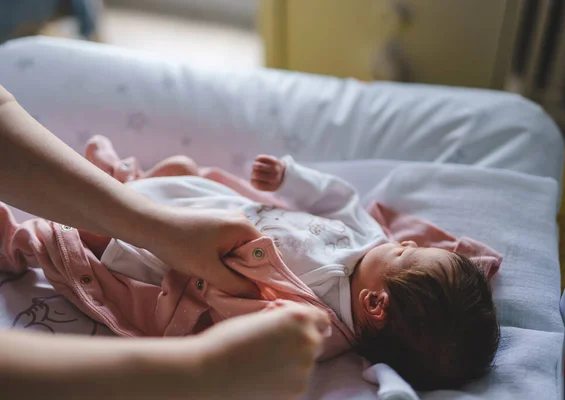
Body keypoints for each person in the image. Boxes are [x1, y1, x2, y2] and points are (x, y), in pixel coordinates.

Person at [52, 135, 501, 391]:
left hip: (179, 256)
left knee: (94, 235)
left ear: (376, 304)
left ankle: (60, 218)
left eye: (405, 252)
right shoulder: (369, 239)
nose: (400, 242)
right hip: (215, 206)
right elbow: (339, 198)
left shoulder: (316, 319)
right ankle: (126, 184)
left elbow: (240, 325)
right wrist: (291, 178)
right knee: (180, 169)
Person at [0, 84, 331, 399]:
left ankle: (112, 200)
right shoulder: (363, 242)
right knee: (179, 177)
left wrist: (157, 226)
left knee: (115, 237)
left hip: (177, 242)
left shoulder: (332, 316)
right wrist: (200, 370)